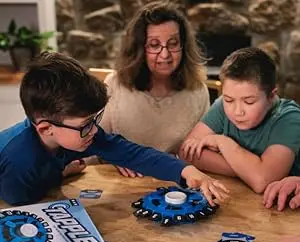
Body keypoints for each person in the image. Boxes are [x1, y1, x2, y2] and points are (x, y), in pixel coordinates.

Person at [0, 51, 229, 206]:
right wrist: (59, 173)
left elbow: (133, 154)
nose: (93, 130)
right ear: (46, 129)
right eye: (85, 125)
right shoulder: (19, 160)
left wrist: (188, 172)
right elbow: (22, 204)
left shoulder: (78, 133)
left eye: (94, 119)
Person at [100, 2, 209, 178]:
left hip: (175, 187)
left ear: (184, 46)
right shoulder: (114, 85)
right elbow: (93, 144)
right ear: (139, 49)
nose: (165, 54)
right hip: (121, 183)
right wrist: (116, 159)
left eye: (173, 44)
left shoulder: (198, 92)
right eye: (154, 45)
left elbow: (202, 152)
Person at [180, 47, 300, 194]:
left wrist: (222, 142)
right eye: (229, 100)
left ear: (271, 96)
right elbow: (187, 153)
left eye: (249, 102)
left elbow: (263, 181)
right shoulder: (222, 106)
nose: (237, 111)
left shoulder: (289, 118)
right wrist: (249, 171)